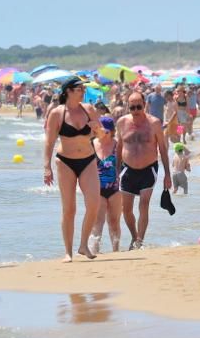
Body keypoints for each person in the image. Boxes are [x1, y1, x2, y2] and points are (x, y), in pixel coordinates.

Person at [44, 77, 101, 262]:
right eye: (79, 89)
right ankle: (68, 252)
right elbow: (50, 141)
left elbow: (101, 134)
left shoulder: (89, 109)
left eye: (83, 88)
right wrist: (46, 167)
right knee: (69, 209)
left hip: (88, 160)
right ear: (68, 90)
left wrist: (96, 129)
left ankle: (83, 245)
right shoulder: (57, 113)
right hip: (65, 162)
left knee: (94, 204)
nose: (83, 91)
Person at [116, 91, 172, 249]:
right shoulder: (121, 122)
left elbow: (162, 148)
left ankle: (139, 241)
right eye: (132, 107)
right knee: (125, 209)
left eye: (138, 106)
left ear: (144, 105)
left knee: (143, 204)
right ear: (128, 106)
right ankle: (134, 236)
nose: (135, 111)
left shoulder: (154, 123)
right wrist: (116, 171)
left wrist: (167, 174)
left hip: (148, 169)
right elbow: (119, 147)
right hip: (127, 170)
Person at [88, 116, 122, 254]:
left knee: (114, 222)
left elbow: (125, 164)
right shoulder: (91, 144)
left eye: (105, 131)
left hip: (116, 189)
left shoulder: (118, 145)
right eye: (99, 130)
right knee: (97, 222)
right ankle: (95, 251)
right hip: (97, 189)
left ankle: (116, 251)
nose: (101, 133)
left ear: (111, 131)